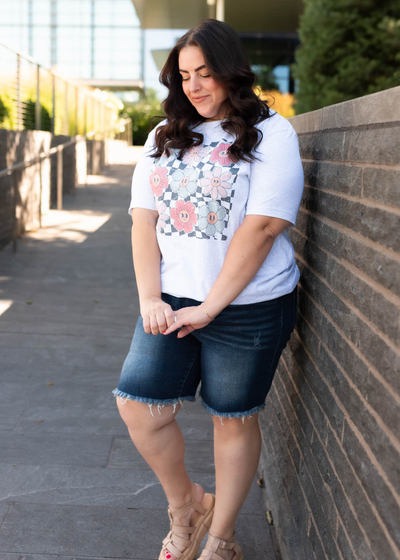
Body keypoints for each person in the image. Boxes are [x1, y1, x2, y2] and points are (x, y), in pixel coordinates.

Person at [112, 17, 304, 560]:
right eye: (184, 75)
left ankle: (220, 538)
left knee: (233, 418)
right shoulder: (162, 136)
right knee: (139, 406)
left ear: (229, 72)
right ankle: (187, 507)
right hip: (172, 300)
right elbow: (142, 222)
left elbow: (265, 225)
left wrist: (213, 306)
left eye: (205, 73)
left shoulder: (271, 132)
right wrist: (151, 297)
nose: (194, 85)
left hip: (250, 306)